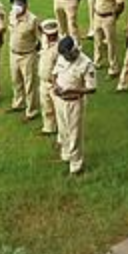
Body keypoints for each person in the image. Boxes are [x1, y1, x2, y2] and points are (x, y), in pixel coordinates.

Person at [52, 36, 96, 175]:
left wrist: (72, 90)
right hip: (60, 100)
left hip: (75, 102)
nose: (66, 57)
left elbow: (92, 88)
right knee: (63, 130)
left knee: (74, 134)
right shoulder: (62, 57)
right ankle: (66, 155)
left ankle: (76, 165)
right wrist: (55, 86)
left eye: (68, 55)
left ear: (73, 51)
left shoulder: (86, 64)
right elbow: (55, 74)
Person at [7, 0, 41, 121]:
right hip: (13, 54)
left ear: (26, 5)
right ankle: (18, 103)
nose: (16, 7)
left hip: (28, 55)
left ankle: (32, 111)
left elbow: (40, 39)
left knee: (30, 84)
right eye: (14, 4)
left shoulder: (33, 20)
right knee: (16, 81)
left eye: (19, 4)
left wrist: (36, 53)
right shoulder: (11, 16)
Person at [91, 0, 125, 79]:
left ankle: (113, 68)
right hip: (97, 15)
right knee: (97, 40)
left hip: (108, 17)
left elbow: (120, 4)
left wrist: (115, 16)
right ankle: (97, 61)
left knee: (111, 44)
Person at [36, 19, 61, 136]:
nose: (51, 36)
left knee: (60, 109)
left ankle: (62, 132)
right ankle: (49, 128)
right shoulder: (44, 40)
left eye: (53, 34)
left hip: (56, 82)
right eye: (49, 34)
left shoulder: (62, 46)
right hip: (43, 80)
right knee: (46, 106)